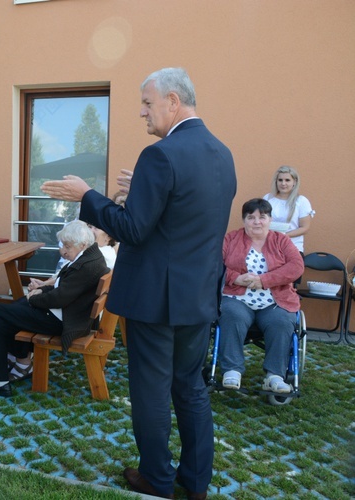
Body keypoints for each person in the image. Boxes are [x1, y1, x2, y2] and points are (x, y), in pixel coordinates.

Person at [41, 67, 236, 500]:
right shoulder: (222, 153)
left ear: (172, 100)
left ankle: (157, 479)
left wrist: (88, 197)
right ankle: (196, 481)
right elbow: (183, 217)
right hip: (199, 296)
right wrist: (141, 190)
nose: (141, 112)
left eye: (147, 103)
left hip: (156, 301)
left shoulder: (161, 154)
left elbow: (133, 229)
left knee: (150, 392)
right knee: (191, 387)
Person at [0, 221, 108, 397]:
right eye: (63, 245)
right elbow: (64, 290)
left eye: (67, 246)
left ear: (82, 244)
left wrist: (35, 298)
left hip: (64, 323)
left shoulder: (87, 265)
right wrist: (41, 290)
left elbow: (60, 297)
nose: (64, 250)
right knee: (2, 318)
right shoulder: (89, 257)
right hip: (68, 315)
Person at [218, 198, 304, 393]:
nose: (257, 221)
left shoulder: (281, 240)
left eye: (262, 217)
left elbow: (296, 267)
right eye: (251, 217)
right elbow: (215, 264)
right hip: (238, 297)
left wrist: (265, 280)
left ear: (270, 219)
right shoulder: (230, 239)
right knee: (231, 314)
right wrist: (236, 278)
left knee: (282, 321)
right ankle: (232, 369)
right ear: (244, 220)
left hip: (274, 299)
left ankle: (274, 375)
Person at [263, 165, 314, 254]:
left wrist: (284, 236)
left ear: (294, 182)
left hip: (292, 247)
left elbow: (305, 228)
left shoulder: (301, 201)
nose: (283, 183)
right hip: (269, 246)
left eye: (287, 180)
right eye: (280, 180)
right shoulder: (267, 198)